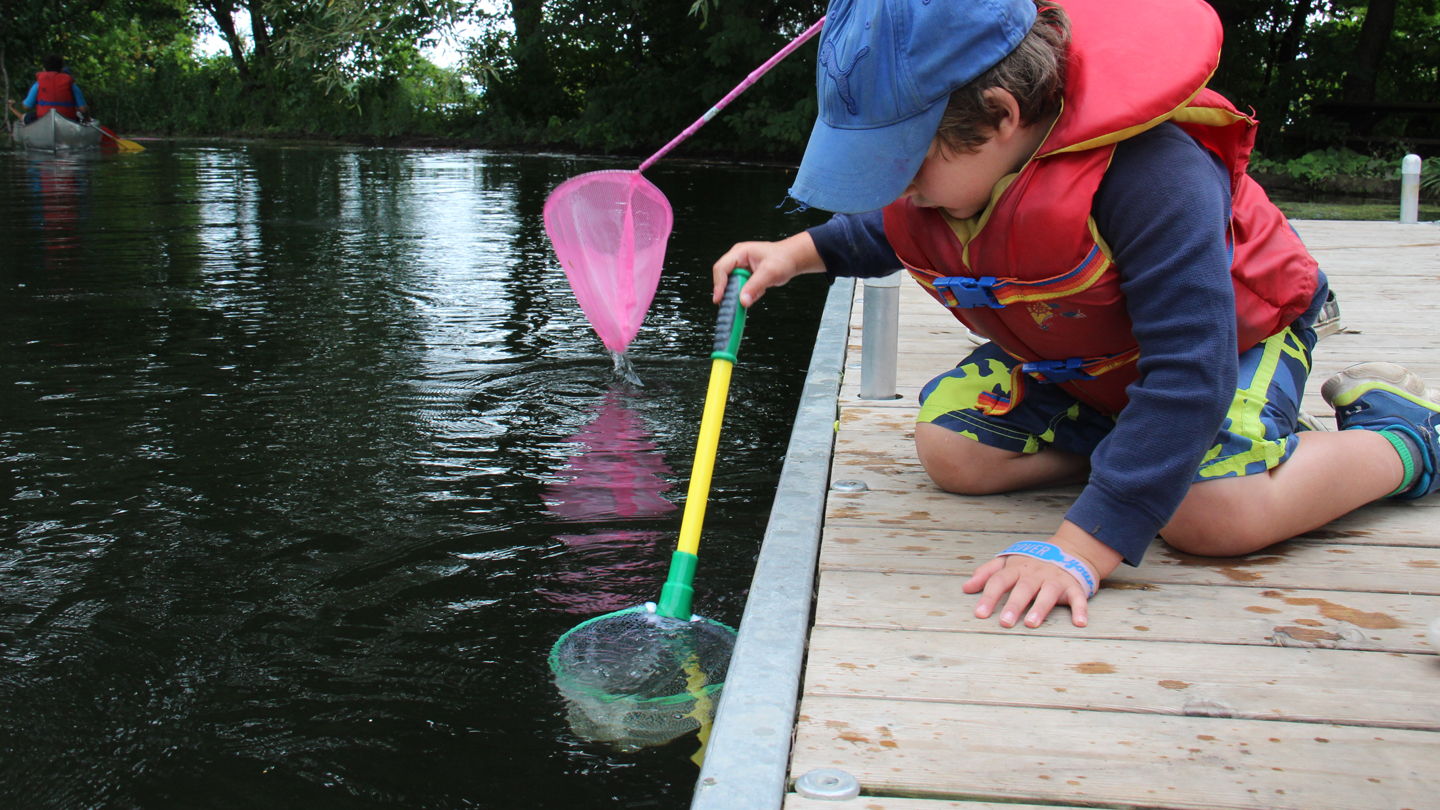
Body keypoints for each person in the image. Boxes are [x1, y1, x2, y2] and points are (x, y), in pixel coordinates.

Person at [711, 0, 1440, 629]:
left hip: (1230, 348)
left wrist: (1087, 542)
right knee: (952, 450)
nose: (895, 189)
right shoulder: (948, 179)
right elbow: (890, 228)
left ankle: (1403, 434)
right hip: (1089, 364)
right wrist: (796, 253)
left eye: (904, 166)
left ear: (999, 116)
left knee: (1211, 516)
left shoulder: (1154, 172)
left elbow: (1192, 365)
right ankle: (1152, 449)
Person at [10, 54, 90, 124]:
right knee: (78, 118)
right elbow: (83, 109)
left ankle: (12, 108)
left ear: (44, 70)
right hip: (68, 121)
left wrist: (17, 104)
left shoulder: (38, 85)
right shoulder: (71, 85)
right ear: (61, 69)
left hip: (43, 120)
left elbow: (27, 106)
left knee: (28, 117)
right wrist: (86, 119)